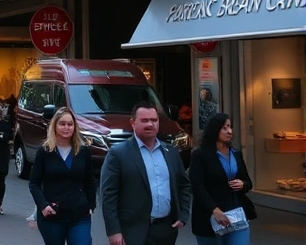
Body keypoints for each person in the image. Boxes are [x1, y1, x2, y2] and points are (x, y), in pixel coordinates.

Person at [100, 102, 192, 245]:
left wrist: (183, 215)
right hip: (133, 232)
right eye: (144, 120)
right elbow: (108, 196)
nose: (150, 124)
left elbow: (183, 185)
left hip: (166, 230)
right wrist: (114, 231)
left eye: (154, 120)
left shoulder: (171, 152)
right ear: (133, 123)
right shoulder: (118, 154)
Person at [29, 107, 97, 245]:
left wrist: (90, 205)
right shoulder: (45, 152)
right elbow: (34, 183)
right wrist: (43, 205)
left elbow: (90, 181)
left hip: (79, 215)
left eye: (70, 124)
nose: (66, 128)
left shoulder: (83, 152)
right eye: (62, 124)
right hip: (53, 215)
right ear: (54, 126)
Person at [189, 113, 255, 245]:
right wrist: (214, 210)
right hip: (210, 216)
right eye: (225, 128)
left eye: (230, 127)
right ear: (215, 129)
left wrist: (243, 184)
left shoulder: (236, 154)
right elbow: (197, 186)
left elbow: (248, 182)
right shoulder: (200, 155)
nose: (230, 131)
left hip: (236, 215)